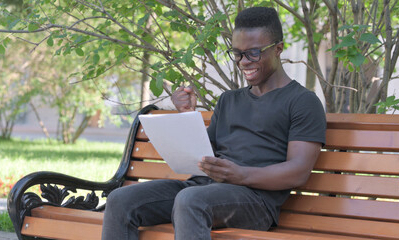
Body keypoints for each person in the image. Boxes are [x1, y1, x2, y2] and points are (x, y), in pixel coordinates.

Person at [102, 7, 326, 240]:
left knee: (191, 201)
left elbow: (298, 172)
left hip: (255, 200)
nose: (243, 62)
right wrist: (187, 116)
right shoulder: (229, 100)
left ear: (278, 49)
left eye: (253, 53)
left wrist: (241, 175)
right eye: (237, 53)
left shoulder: (302, 102)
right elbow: (202, 155)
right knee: (120, 200)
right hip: (204, 189)